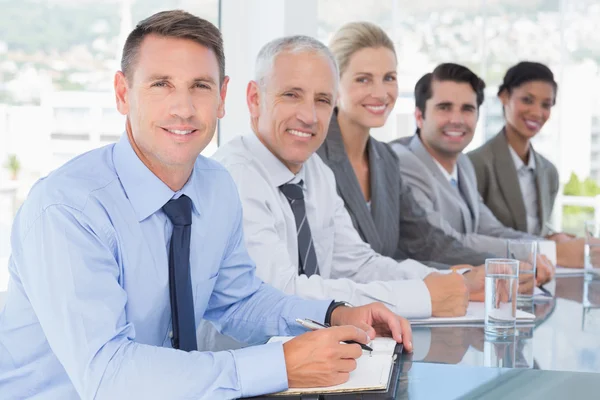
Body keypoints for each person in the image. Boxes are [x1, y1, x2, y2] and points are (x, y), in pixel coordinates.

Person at [0, 11, 413, 399]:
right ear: (123, 94)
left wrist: (333, 313)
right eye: (161, 84)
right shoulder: (67, 209)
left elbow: (238, 301)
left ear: (222, 98)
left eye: (200, 85)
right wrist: (280, 364)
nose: (183, 108)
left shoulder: (216, 187)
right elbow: (108, 374)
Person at [213, 35, 487, 324]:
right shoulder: (235, 177)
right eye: (291, 95)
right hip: (251, 359)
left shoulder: (316, 172)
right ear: (255, 99)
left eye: (322, 100)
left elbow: (358, 264)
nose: (308, 116)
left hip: (320, 354)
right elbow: (282, 294)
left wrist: (445, 281)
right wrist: (422, 296)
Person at [316, 21, 493, 269]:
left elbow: (426, 240)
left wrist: (498, 267)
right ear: (334, 86)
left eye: (389, 78)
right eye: (363, 80)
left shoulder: (385, 158)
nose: (380, 93)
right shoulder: (313, 156)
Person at [389, 63, 581, 270]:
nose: (457, 119)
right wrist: (549, 252)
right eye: (444, 107)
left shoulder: (462, 164)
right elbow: (446, 242)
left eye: (467, 109)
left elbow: (491, 229)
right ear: (419, 116)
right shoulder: (402, 162)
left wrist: (549, 245)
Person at [468, 61, 568, 240]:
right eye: (527, 100)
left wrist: (554, 239)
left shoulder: (549, 172)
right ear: (504, 96)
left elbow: (537, 233)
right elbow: (475, 236)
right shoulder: (475, 165)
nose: (537, 113)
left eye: (546, 105)